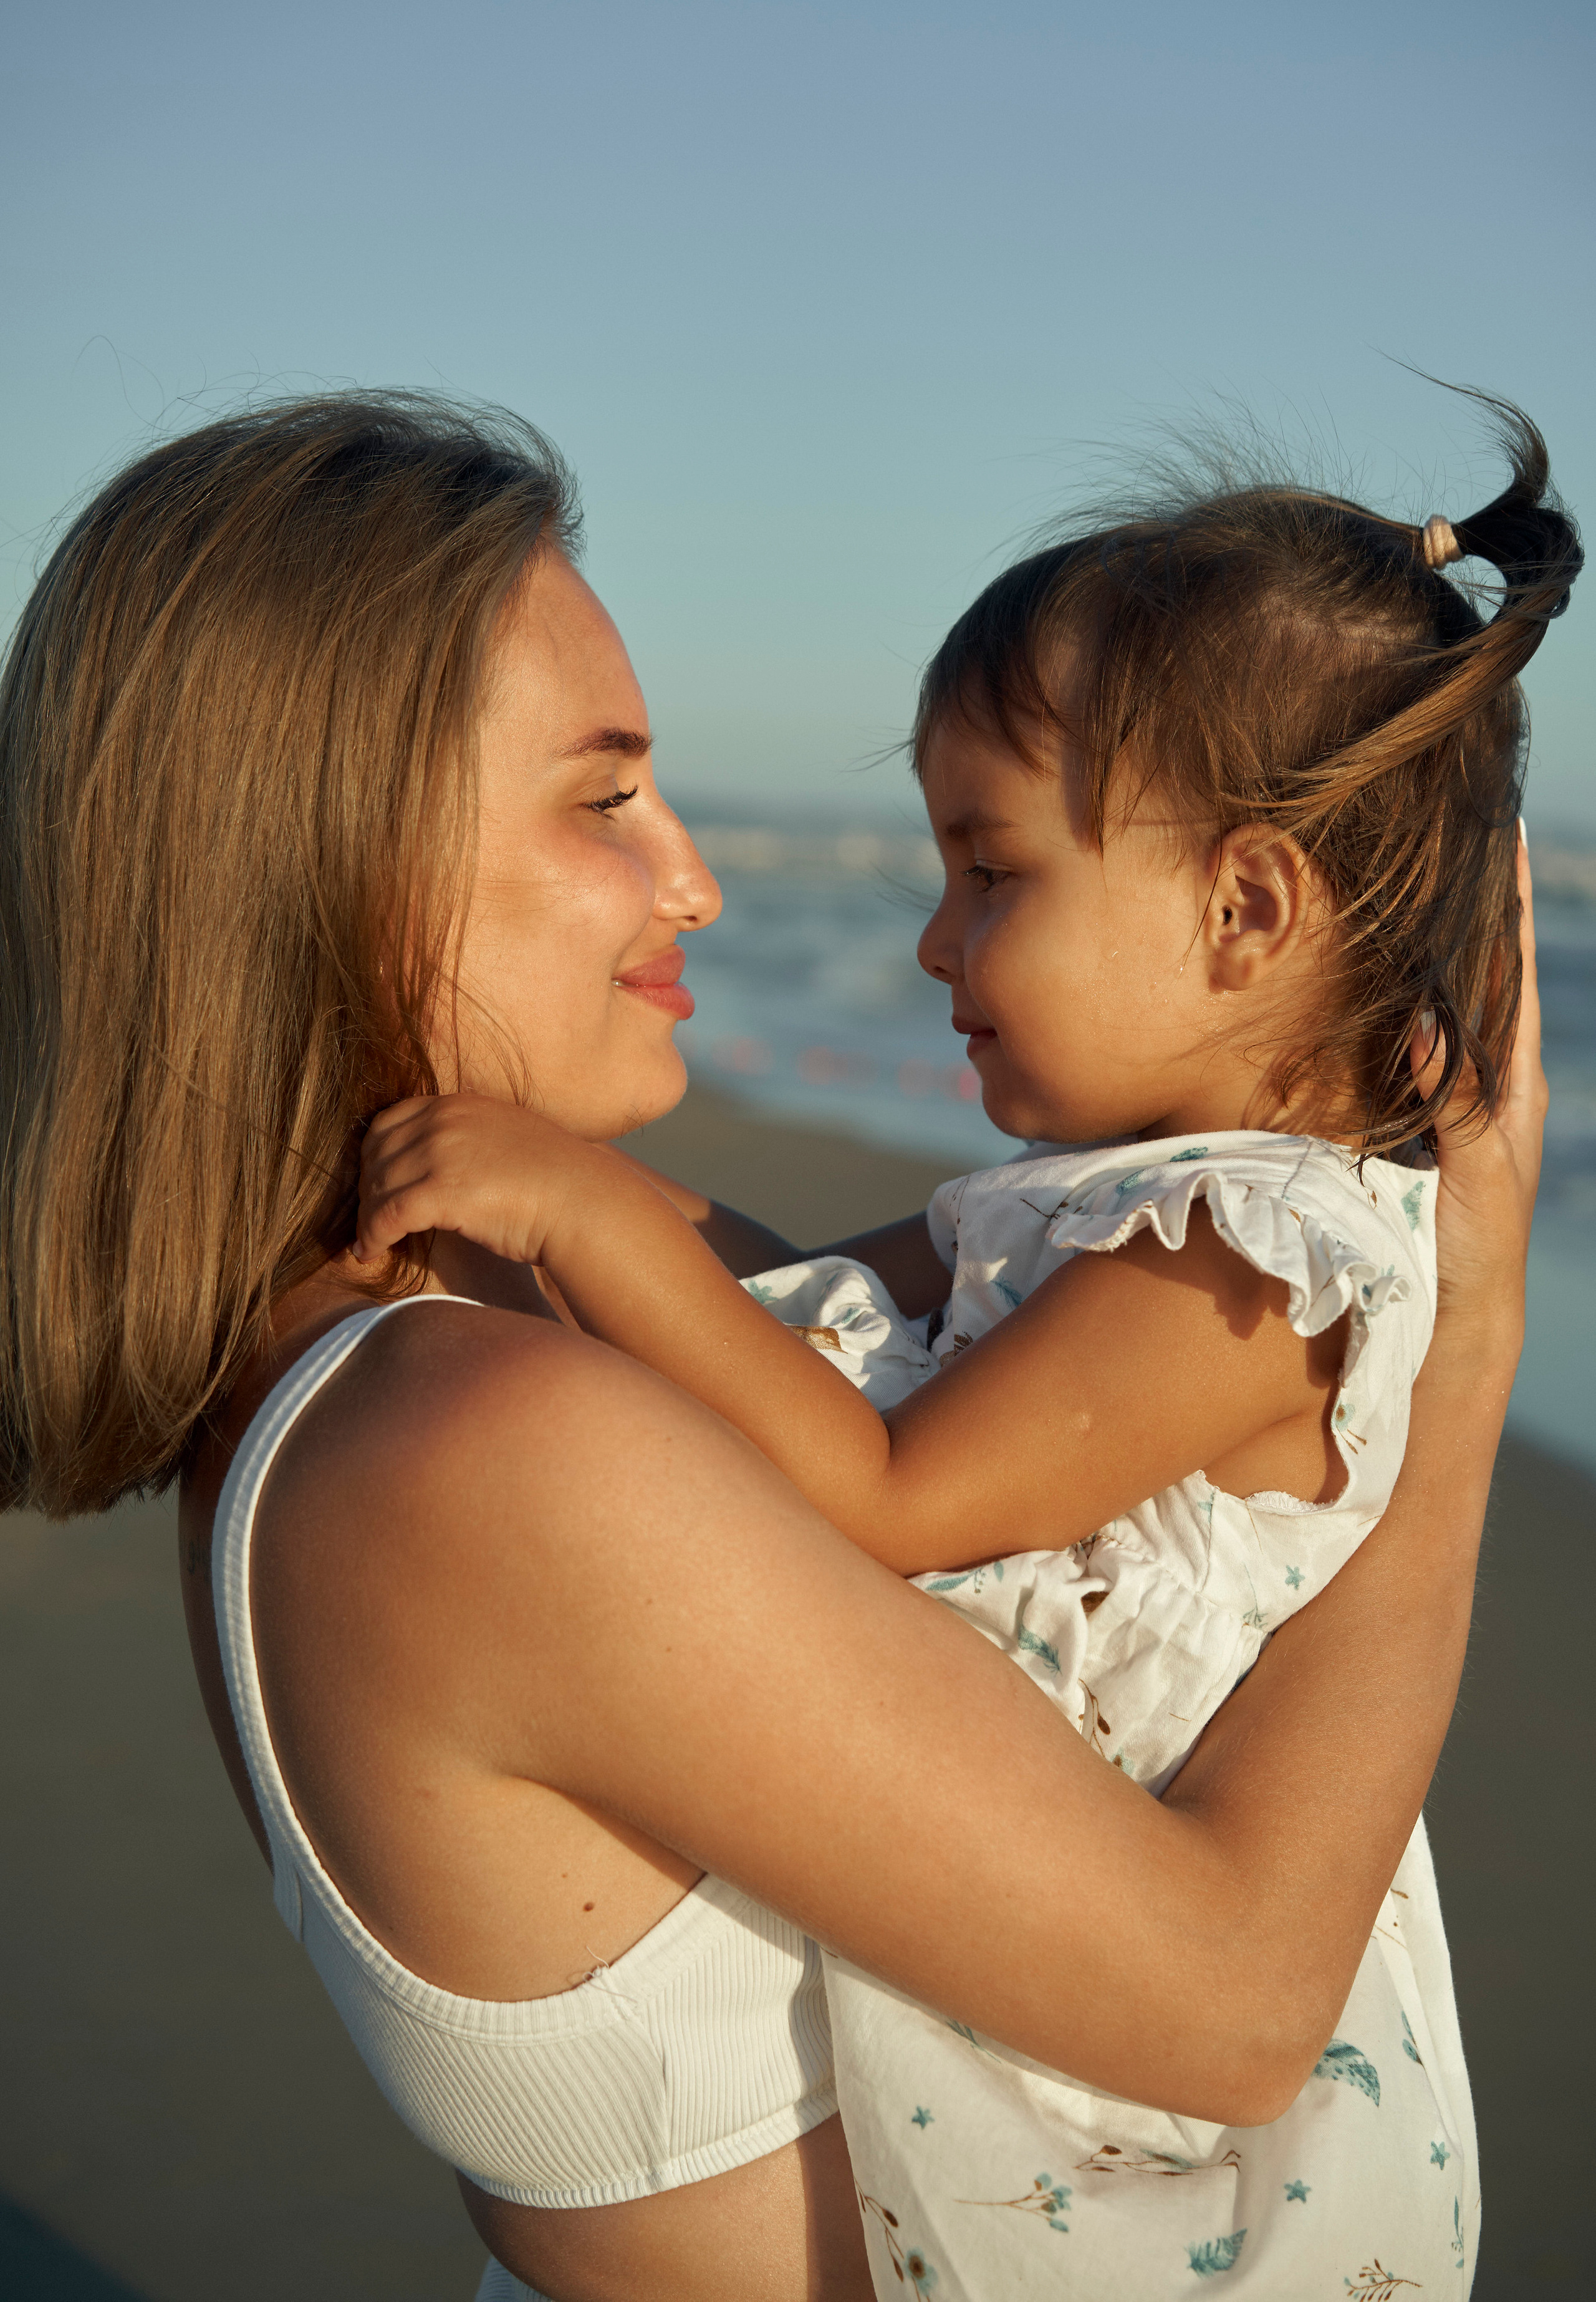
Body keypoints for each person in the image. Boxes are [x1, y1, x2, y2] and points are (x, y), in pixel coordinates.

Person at [0, 394, 1544, 2302]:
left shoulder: (461, 1324)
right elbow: (1228, 2014)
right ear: (327, 843)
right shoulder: (477, 1436)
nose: (695, 879)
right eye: (600, 797)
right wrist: (1459, 1376)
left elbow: (872, 1357)